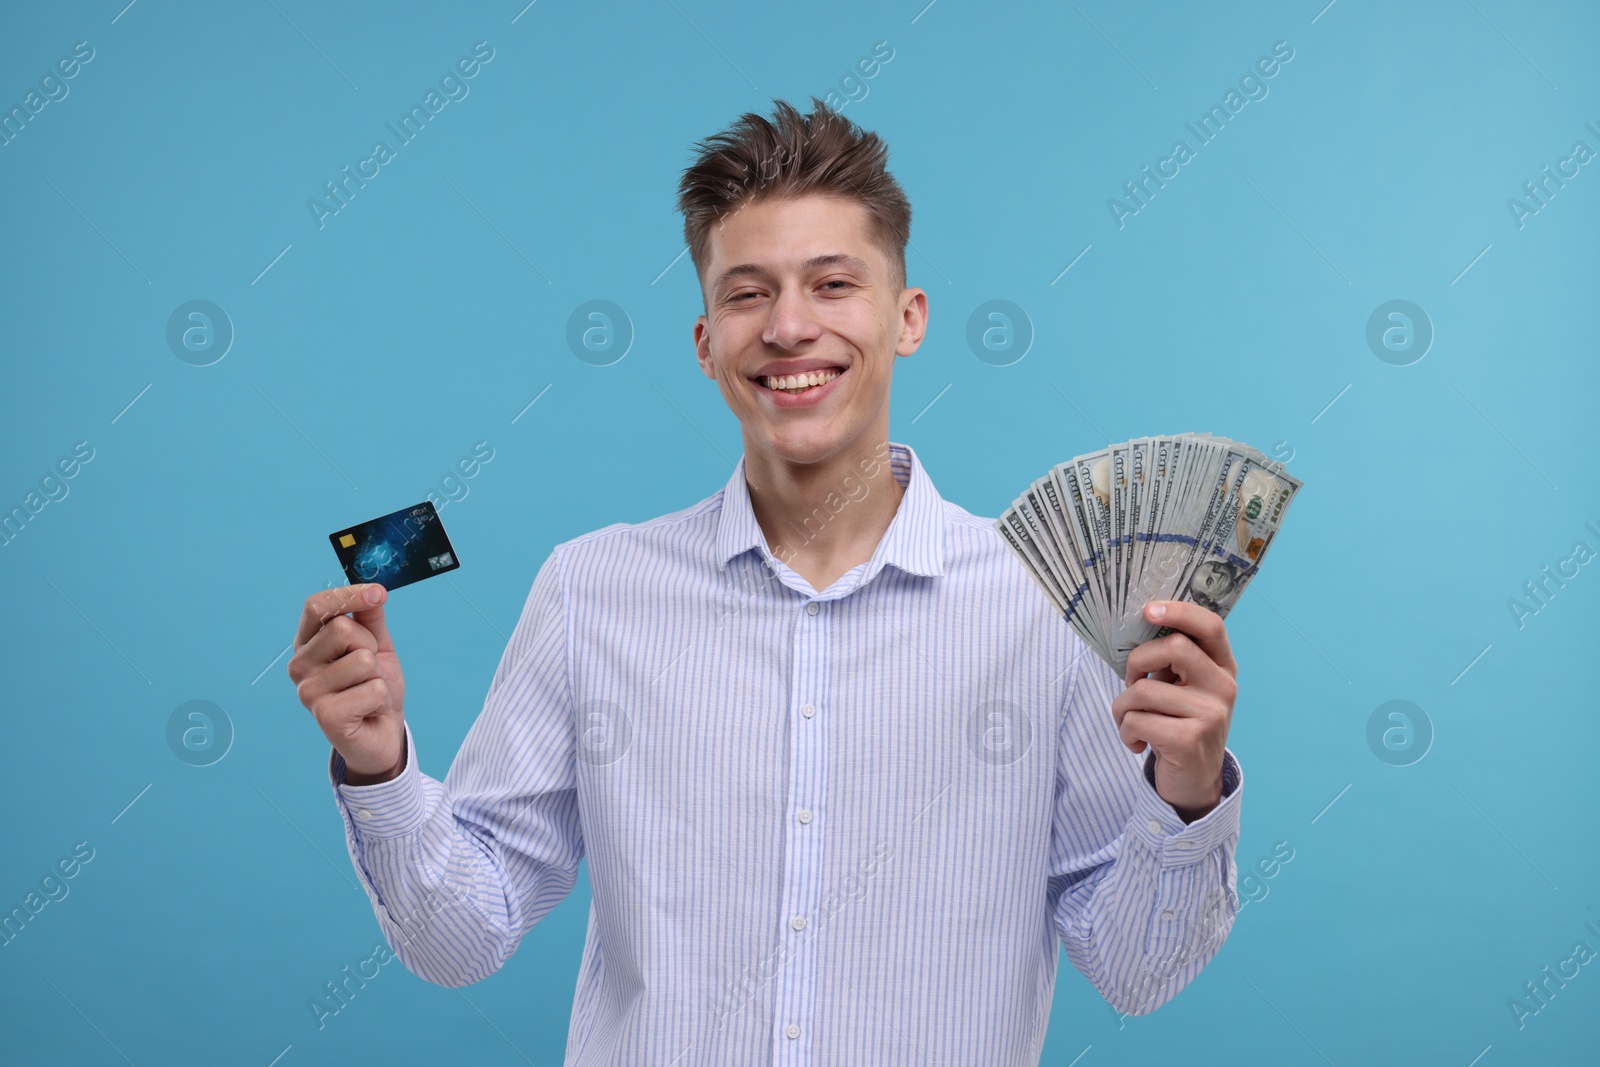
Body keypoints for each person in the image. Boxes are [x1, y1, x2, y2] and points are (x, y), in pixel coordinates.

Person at [287, 98, 1244, 1066]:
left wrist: (1190, 788)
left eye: (833, 283)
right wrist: (379, 765)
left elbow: (1136, 969)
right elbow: (463, 938)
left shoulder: (1044, 601)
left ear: (906, 318)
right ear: (705, 343)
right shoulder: (592, 589)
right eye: (746, 294)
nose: (789, 327)